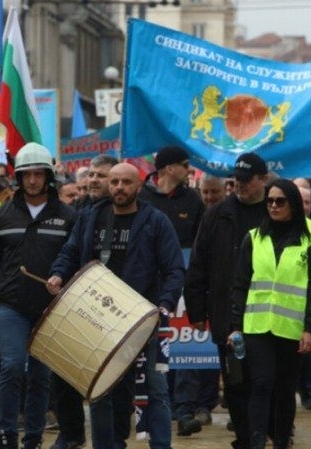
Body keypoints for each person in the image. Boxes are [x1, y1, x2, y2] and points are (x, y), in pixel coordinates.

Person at [47, 162, 184, 449]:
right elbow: (70, 251)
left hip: (143, 319)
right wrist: (58, 273)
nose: (119, 188)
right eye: (115, 182)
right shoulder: (90, 217)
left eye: (126, 182)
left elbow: (173, 269)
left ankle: (161, 445)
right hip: (99, 317)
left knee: (155, 389)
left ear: (138, 186)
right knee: (100, 389)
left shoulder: (155, 221)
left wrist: (165, 304)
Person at [0, 143, 76, 449]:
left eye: (38, 174)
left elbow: (75, 259)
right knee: (12, 367)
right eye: (26, 174)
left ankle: (33, 438)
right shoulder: (3, 216)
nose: (32, 181)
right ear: (18, 177)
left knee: (41, 376)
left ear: (47, 177)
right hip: (11, 306)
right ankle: (7, 435)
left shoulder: (67, 216)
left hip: (50, 309)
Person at [184, 152, 269, 449]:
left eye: (247, 181)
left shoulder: (275, 212)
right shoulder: (216, 214)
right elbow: (199, 264)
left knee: (265, 380)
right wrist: (196, 309)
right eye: (237, 181)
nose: (241, 187)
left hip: (268, 315)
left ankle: (266, 432)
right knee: (235, 381)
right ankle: (245, 437)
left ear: (264, 180)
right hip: (227, 312)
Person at [229, 178, 311, 449]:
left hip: (292, 328)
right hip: (257, 327)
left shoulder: (310, 241)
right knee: (260, 384)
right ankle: (257, 441)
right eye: (269, 200)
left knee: (284, 390)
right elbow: (240, 284)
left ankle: (281, 441)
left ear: (293, 204)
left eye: (280, 201)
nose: (273, 205)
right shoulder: (254, 238)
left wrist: (310, 328)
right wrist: (235, 326)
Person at [50, 154, 118, 449]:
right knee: (63, 368)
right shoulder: (85, 214)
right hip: (82, 302)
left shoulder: (133, 213)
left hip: (117, 309)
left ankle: (112, 441)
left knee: (108, 384)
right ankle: (72, 434)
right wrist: (57, 273)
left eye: (100, 175)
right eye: (90, 174)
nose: (92, 180)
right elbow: (70, 250)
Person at [138, 146, 207, 436]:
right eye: (183, 164)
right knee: (151, 352)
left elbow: (201, 242)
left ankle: (184, 411)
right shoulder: (141, 197)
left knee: (186, 347)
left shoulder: (193, 200)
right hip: (145, 289)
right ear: (167, 168)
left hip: (183, 287)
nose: (188, 169)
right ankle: (150, 411)